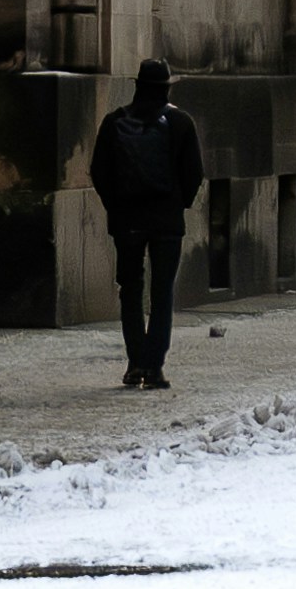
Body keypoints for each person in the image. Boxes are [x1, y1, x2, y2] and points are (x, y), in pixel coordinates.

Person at [85, 60, 207, 390]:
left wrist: (117, 205)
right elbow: (194, 173)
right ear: (166, 88)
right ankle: (154, 368)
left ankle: (135, 363)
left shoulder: (114, 122)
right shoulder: (181, 122)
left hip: (127, 222)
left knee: (131, 291)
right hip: (166, 221)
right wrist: (176, 204)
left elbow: (98, 171)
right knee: (162, 292)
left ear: (137, 85)